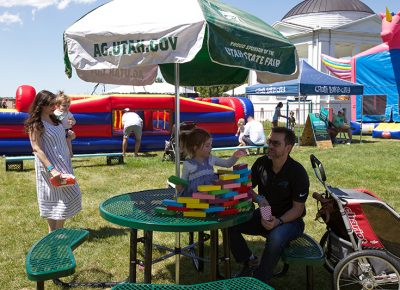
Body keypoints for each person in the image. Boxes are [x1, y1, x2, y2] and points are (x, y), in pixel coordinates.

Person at [229, 127, 309, 284]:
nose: (270, 146)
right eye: (269, 141)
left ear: (288, 147)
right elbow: (245, 188)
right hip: (265, 215)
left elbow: (298, 209)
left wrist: (277, 222)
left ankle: (259, 282)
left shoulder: (297, 172)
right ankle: (249, 261)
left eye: (276, 143)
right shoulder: (261, 163)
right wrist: (258, 198)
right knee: (230, 224)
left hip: (290, 220)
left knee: (276, 237)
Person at [24, 90, 82, 232]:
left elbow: (60, 138)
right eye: (51, 104)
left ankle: (55, 232)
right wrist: (51, 169)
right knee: (57, 197)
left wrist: (69, 137)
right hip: (49, 166)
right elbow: (36, 148)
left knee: (65, 194)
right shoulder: (36, 124)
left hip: (63, 163)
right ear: (41, 105)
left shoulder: (55, 119)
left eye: (55, 104)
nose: (55, 107)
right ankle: (55, 233)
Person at [176, 128, 246, 196]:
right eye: (207, 145)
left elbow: (227, 164)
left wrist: (235, 156)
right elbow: (183, 182)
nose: (211, 147)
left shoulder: (211, 159)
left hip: (212, 193)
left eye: (210, 145)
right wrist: (180, 187)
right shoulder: (188, 164)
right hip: (197, 197)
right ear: (195, 148)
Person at [54, 92, 76, 157]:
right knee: (58, 141)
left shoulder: (68, 113)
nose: (66, 107)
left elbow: (74, 120)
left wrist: (72, 122)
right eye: (64, 105)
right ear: (57, 106)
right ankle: (58, 153)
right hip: (58, 130)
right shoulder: (55, 113)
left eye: (68, 106)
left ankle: (70, 152)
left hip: (67, 129)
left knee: (68, 140)